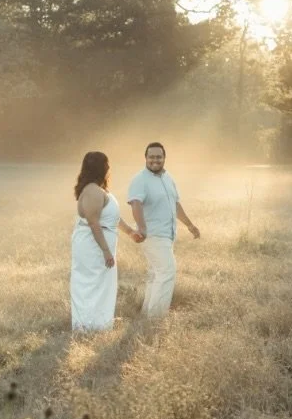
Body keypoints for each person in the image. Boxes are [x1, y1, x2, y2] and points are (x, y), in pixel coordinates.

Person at [70, 150, 143, 332]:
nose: (109, 168)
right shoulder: (93, 192)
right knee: (91, 284)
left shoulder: (99, 190)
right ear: (101, 168)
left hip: (99, 243)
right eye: (107, 165)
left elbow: (112, 218)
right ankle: (87, 326)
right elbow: (94, 223)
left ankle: (99, 324)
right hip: (92, 246)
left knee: (102, 284)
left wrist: (130, 232)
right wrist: (105, 251)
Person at [127, 141, 200, 318]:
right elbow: (136, 203)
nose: (155, 160)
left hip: (167, 236)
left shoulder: (168, 178)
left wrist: (190, 225)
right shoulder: (140, 179)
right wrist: (142, 228)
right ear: (145, 158)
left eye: (159, 157)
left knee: (155, 274)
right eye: (151, 157)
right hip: (152, 236)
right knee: (167, 272)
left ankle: (147, 315)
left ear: (164, 158)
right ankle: (155, 319)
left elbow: (175, 204)